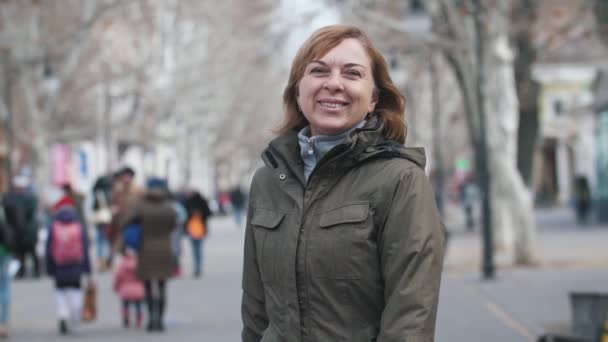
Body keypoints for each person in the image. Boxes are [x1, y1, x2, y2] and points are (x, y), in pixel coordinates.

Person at [241, 25, 445, 342]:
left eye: (352, 74)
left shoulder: (400, 180)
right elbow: (255, 309)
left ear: (374, 98)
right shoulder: (268, 181)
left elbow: (411, 318)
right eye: (319, 71)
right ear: (298, 90)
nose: (333, 84)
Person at [119, 177, 176, 332]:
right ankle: (161, 320)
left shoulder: (141, 208)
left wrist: (138, 226)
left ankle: (151, 319)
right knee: (162, 287)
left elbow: (124, 223)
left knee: (148, 287)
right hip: (164, 250)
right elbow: (173, 226)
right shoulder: (168, 208)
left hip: (146, 250)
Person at [45, 199, 92, 335]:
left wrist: (49, 268)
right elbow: (85, 249)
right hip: (76, 265)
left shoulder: (54, 227)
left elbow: (49, 250)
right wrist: (87, 269)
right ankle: (74, 319)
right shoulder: (78, 227)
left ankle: (63, 315)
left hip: (59, 266)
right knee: (75, 293)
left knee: (61, 293)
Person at [3, 176, 40, 278]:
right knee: (20, 254)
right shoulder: (11, 199)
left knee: (32, 252)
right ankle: (21, 271)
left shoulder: (30, 199)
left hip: (28, 232)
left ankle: (36, 271)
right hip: (18, 232)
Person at [113, 245, 145, 328]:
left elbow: (118, 277)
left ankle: (126, 317)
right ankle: (139, 319)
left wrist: (116, 286)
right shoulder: (140, 264)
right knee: (138, 305)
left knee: (125, 304)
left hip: (125, 289)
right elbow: (144, 277)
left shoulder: (123, 265)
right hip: (138, 289)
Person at [184, 191, 212, 277]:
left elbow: (185, 216)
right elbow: (209, 213)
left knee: (194, 249)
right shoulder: (202, 202)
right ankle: (198, 268)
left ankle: (196, 268)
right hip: (201, 228)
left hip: (191, 229)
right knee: (199, 249)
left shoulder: (188, 202)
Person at [0, 197, 15, 338]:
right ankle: (3, 323)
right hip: (4, 250)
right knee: (4, 287)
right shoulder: (5, 203)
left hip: (4, 251)